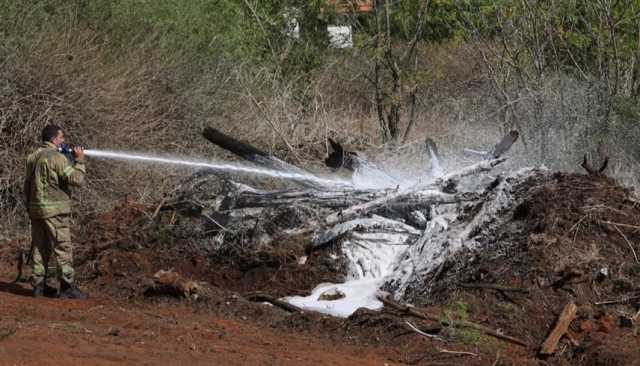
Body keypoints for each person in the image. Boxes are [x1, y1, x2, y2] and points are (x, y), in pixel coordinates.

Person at [23, 125, 88, 299]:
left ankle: (39, 286)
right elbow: (77, 180)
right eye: (61, 138)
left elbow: (27, 185)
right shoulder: (57, 158)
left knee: (39, 247)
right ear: (53, 139)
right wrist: (79, 160)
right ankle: (67, 286)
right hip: (55, 211)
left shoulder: (33, 157)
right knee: (63, 247)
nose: (64, 141)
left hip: (36, 210)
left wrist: (29, 207)